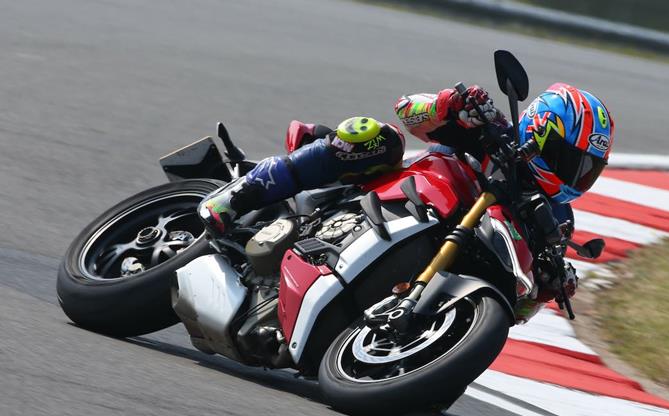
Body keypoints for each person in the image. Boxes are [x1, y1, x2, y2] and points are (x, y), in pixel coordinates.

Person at [198, 83, 614, 302]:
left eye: (588, 170)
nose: (577, 176)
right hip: (384, 195)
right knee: (379, 137)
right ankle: (237, 196)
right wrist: (450, 104)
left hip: (436, 260)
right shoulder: (492, 129)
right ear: (541, 131)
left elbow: (520, 302)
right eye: (569, 160)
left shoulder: (556, 220)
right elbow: (407, 108)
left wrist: (551, 284)